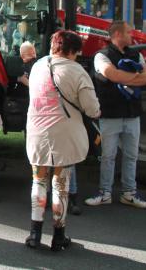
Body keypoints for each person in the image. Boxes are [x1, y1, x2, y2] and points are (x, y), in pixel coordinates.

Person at [24, 30, 100, 251]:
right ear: (73, 51)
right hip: (65, 136)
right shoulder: (77, 71)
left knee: (38, 181)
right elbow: (92, 109)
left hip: (37, 132)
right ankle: (59, 236)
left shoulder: (38, 66)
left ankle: (34, 234)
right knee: (60, 186)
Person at [85, 20, 146, 209]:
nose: (133, 36)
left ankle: (128, 193)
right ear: (117, 35)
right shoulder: (101, 56)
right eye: (129, 32)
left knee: (131, 155)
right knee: (108, 156)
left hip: (132, 114)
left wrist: (122, 77)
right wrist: (135, 78)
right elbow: (111, 75)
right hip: (110, 114)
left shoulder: (136, 54)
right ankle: (105, 193)